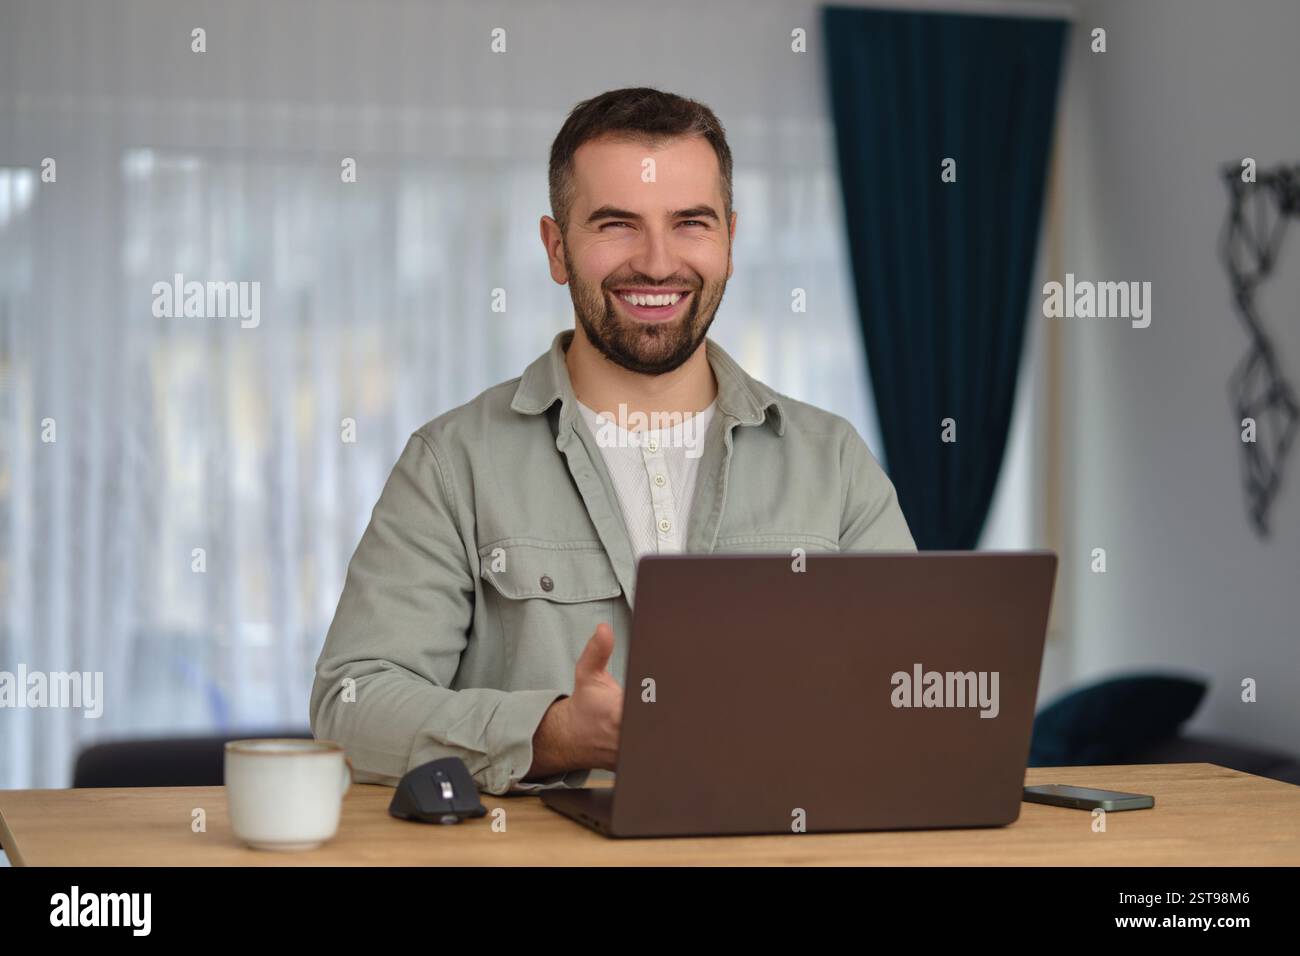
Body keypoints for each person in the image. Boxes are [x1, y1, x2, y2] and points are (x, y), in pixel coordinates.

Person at [309, 87, 915, 795]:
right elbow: (350, 706)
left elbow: (915, 694)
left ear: (729, 240)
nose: (657, 264)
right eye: (617, 225)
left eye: (691, 223)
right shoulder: (452, 464)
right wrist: (551, 733)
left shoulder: (834, 461)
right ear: (557, 247)